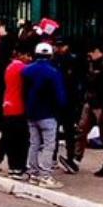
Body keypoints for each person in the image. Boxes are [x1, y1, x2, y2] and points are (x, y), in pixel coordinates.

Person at [22, 42, 67, 188]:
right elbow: (60, 95)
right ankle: (45, 175)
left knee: (34, 143)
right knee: (48, 145)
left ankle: (33, 173)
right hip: (48, 113)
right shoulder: (53, 72)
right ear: (50, 55)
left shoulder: (26, 70)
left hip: (31, 112)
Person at [73, 42, 103, 177]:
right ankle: (76, 159)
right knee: (81, 130)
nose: (89, 55)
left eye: (91, 52)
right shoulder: (93, 63)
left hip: (102, 104)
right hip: (91, 101)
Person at [0, 45, 31, 179]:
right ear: (21, 54)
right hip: (18, 107)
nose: (29, 58)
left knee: (8, 137)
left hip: (8, 105)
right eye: (27, 55)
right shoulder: (23, 68)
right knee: (20, 139)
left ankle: (10, 165)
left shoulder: (10, 67)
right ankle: (18, 167)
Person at [53, 37, 84, 174]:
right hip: (56, 101)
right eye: (57, 46)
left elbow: (78, 81)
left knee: (69, 131)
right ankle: (53, 157)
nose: (59, 49)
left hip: (70, 101)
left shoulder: (73, 60)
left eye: (62, 46)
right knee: (53, 131)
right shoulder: (53, 60)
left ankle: (70, 157)